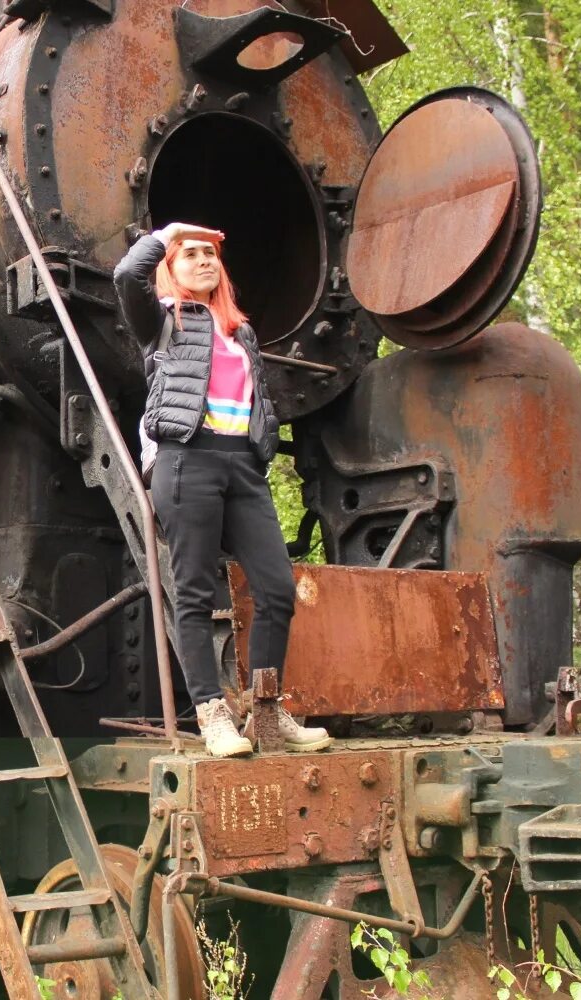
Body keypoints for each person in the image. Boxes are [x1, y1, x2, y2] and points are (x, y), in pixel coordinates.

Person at [114, 221, 332, 757]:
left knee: (277, 588)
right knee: (192, 591)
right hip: (188, 460)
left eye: (210, 253)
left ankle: (266, 712)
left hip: (242, 466)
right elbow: (125, 274)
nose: (203, 260)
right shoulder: (162, 322)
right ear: (171, 264)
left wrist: (261, 444)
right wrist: (168, 233)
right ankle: (212, 715)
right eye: (190, 254)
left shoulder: (241, 333)